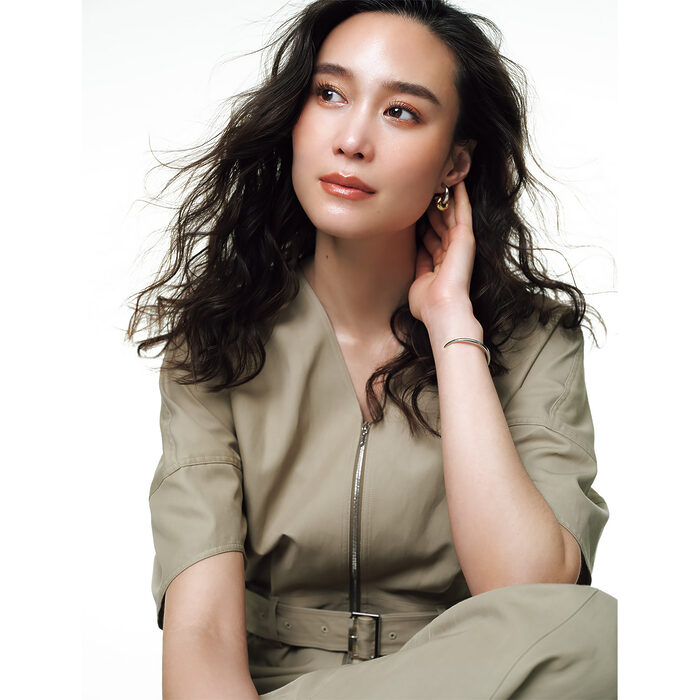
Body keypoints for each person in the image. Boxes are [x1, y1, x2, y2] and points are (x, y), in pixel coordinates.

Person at [125, 1, 617, 697]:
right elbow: (200, 633)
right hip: (273, 685)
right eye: (330, 94)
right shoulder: (219, 338)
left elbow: (531, 596)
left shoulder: (534, 341)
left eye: (401, 112)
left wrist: (452, 327)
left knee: (596, 632)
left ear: (455, 162)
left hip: (467, 681)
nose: (352, 139)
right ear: (295, 118)